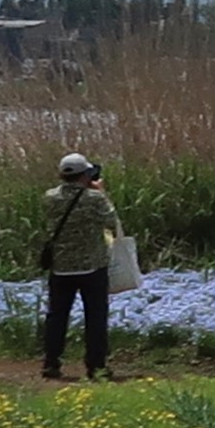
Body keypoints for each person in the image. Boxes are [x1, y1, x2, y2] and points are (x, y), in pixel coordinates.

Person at [38, 153, 125, 382]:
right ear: (85, 175)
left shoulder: (50, 197)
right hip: (92, 266)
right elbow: (111, 221)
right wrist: (101, 192)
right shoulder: (94, 199)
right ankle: (96, 365)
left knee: (56, 316)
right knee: (95, 317)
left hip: (61, 267)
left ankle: (51, 362)